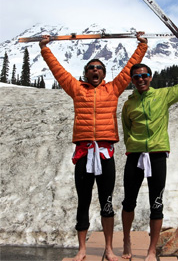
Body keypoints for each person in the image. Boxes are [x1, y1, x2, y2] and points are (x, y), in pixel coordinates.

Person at [39, 32, 148, 261]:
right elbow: (57, 70)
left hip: (105, 153)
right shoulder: (76, 89)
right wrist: (45, 48)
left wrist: (142, 45)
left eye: (99, 68)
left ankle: (109, 249)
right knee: (83, 201)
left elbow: (130, 66)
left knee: (106, 200)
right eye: (91, 68)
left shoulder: (113, 88)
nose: (95, 70)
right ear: (86, 73)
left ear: (104, 74)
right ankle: (82, 250)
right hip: (84, 153)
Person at [121, 45, 178, 261]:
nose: (141, 79)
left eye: (144, 75)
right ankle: (127, 239)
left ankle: (150, 250)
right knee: (129, 201)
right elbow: (126, 129)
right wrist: (134, 146)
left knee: (157, 202)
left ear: (150, 77)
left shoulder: (163, 95)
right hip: (136, 155)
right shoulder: (129, 104)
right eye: (136, 76)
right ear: (132, 80)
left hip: (157, 155)